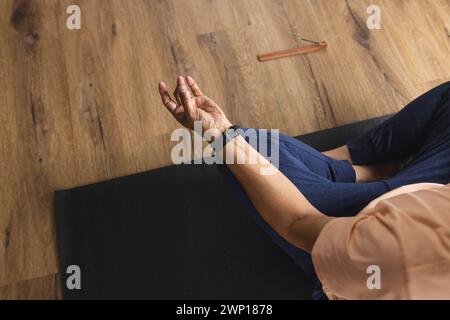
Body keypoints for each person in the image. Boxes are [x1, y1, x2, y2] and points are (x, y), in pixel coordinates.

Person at [158, 77, 450, 299]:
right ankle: (360, 171)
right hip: (406, 209)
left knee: (258, 151)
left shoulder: (406, 249)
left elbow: (298, 221)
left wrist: (221, 135)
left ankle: (350, 173)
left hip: (357, 247)